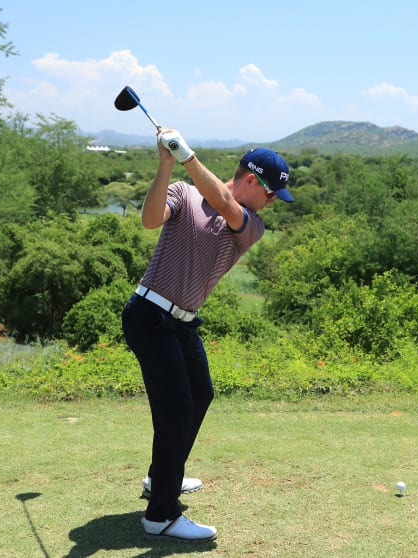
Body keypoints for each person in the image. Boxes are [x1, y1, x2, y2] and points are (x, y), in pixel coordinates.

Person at [121, 127, 294, 542]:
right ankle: (160, 515)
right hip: (149, 315)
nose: (273, 203)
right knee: (177, 409)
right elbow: (149, 220)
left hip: (182, 322)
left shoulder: (251, 223)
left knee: (200, 395)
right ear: (254, 180)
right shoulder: (183, 193)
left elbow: (225, 202)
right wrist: (167, 165)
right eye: (272, 193)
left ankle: (161, 478)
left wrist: (188, 156)